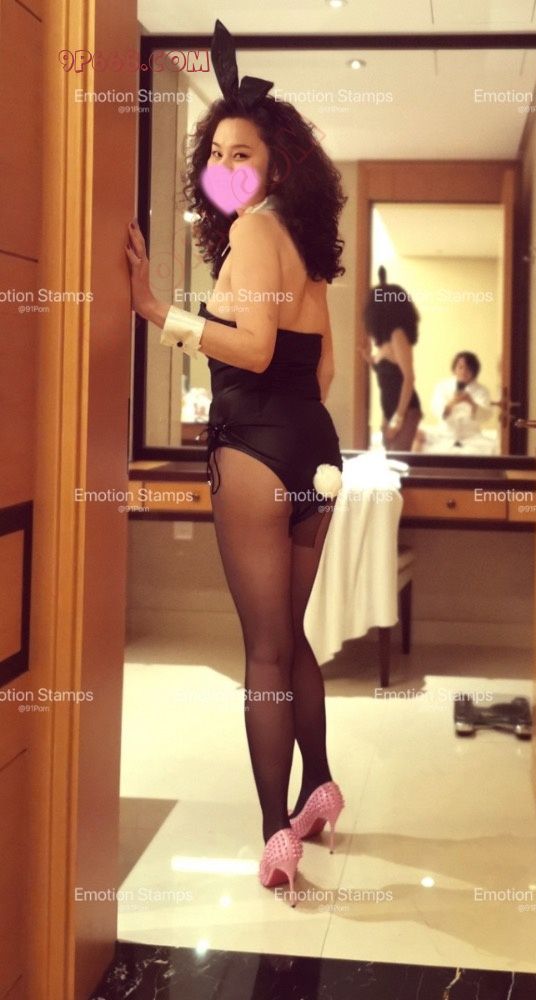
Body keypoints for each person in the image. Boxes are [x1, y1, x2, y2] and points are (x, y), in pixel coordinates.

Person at [125, 20, 345, 906]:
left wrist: (158, 312)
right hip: (314, 450)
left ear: (275, 167)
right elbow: (321, 373)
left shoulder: (254, 229)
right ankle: (319, 785)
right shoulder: (309, 253)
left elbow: (250, 348)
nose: (225, 167)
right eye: (215, 154)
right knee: (289, 635)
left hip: (255, 445)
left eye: (240, 153)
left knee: (262, 652)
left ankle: (273, 835)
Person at [360, 267, 423, 450]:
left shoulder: (397, 334)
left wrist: (397, 419)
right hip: (391, 411)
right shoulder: (385, 341)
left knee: (398, 460)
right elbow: (389, 374)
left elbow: (408, 378)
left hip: (406, 410)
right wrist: (369, 359)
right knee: (392, 459)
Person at [415, 351, 495, 453]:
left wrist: (471, 402)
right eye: (460, 367)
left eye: (468, 368)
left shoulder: (482, 390)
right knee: (417, 436)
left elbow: (486, 415)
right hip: (444, 434)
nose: (463, 371)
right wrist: (453, 402)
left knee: (490, 449)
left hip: (471, 436)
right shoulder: (442, 386)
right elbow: (437, 409)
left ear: (474, 371)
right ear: (454, 368)